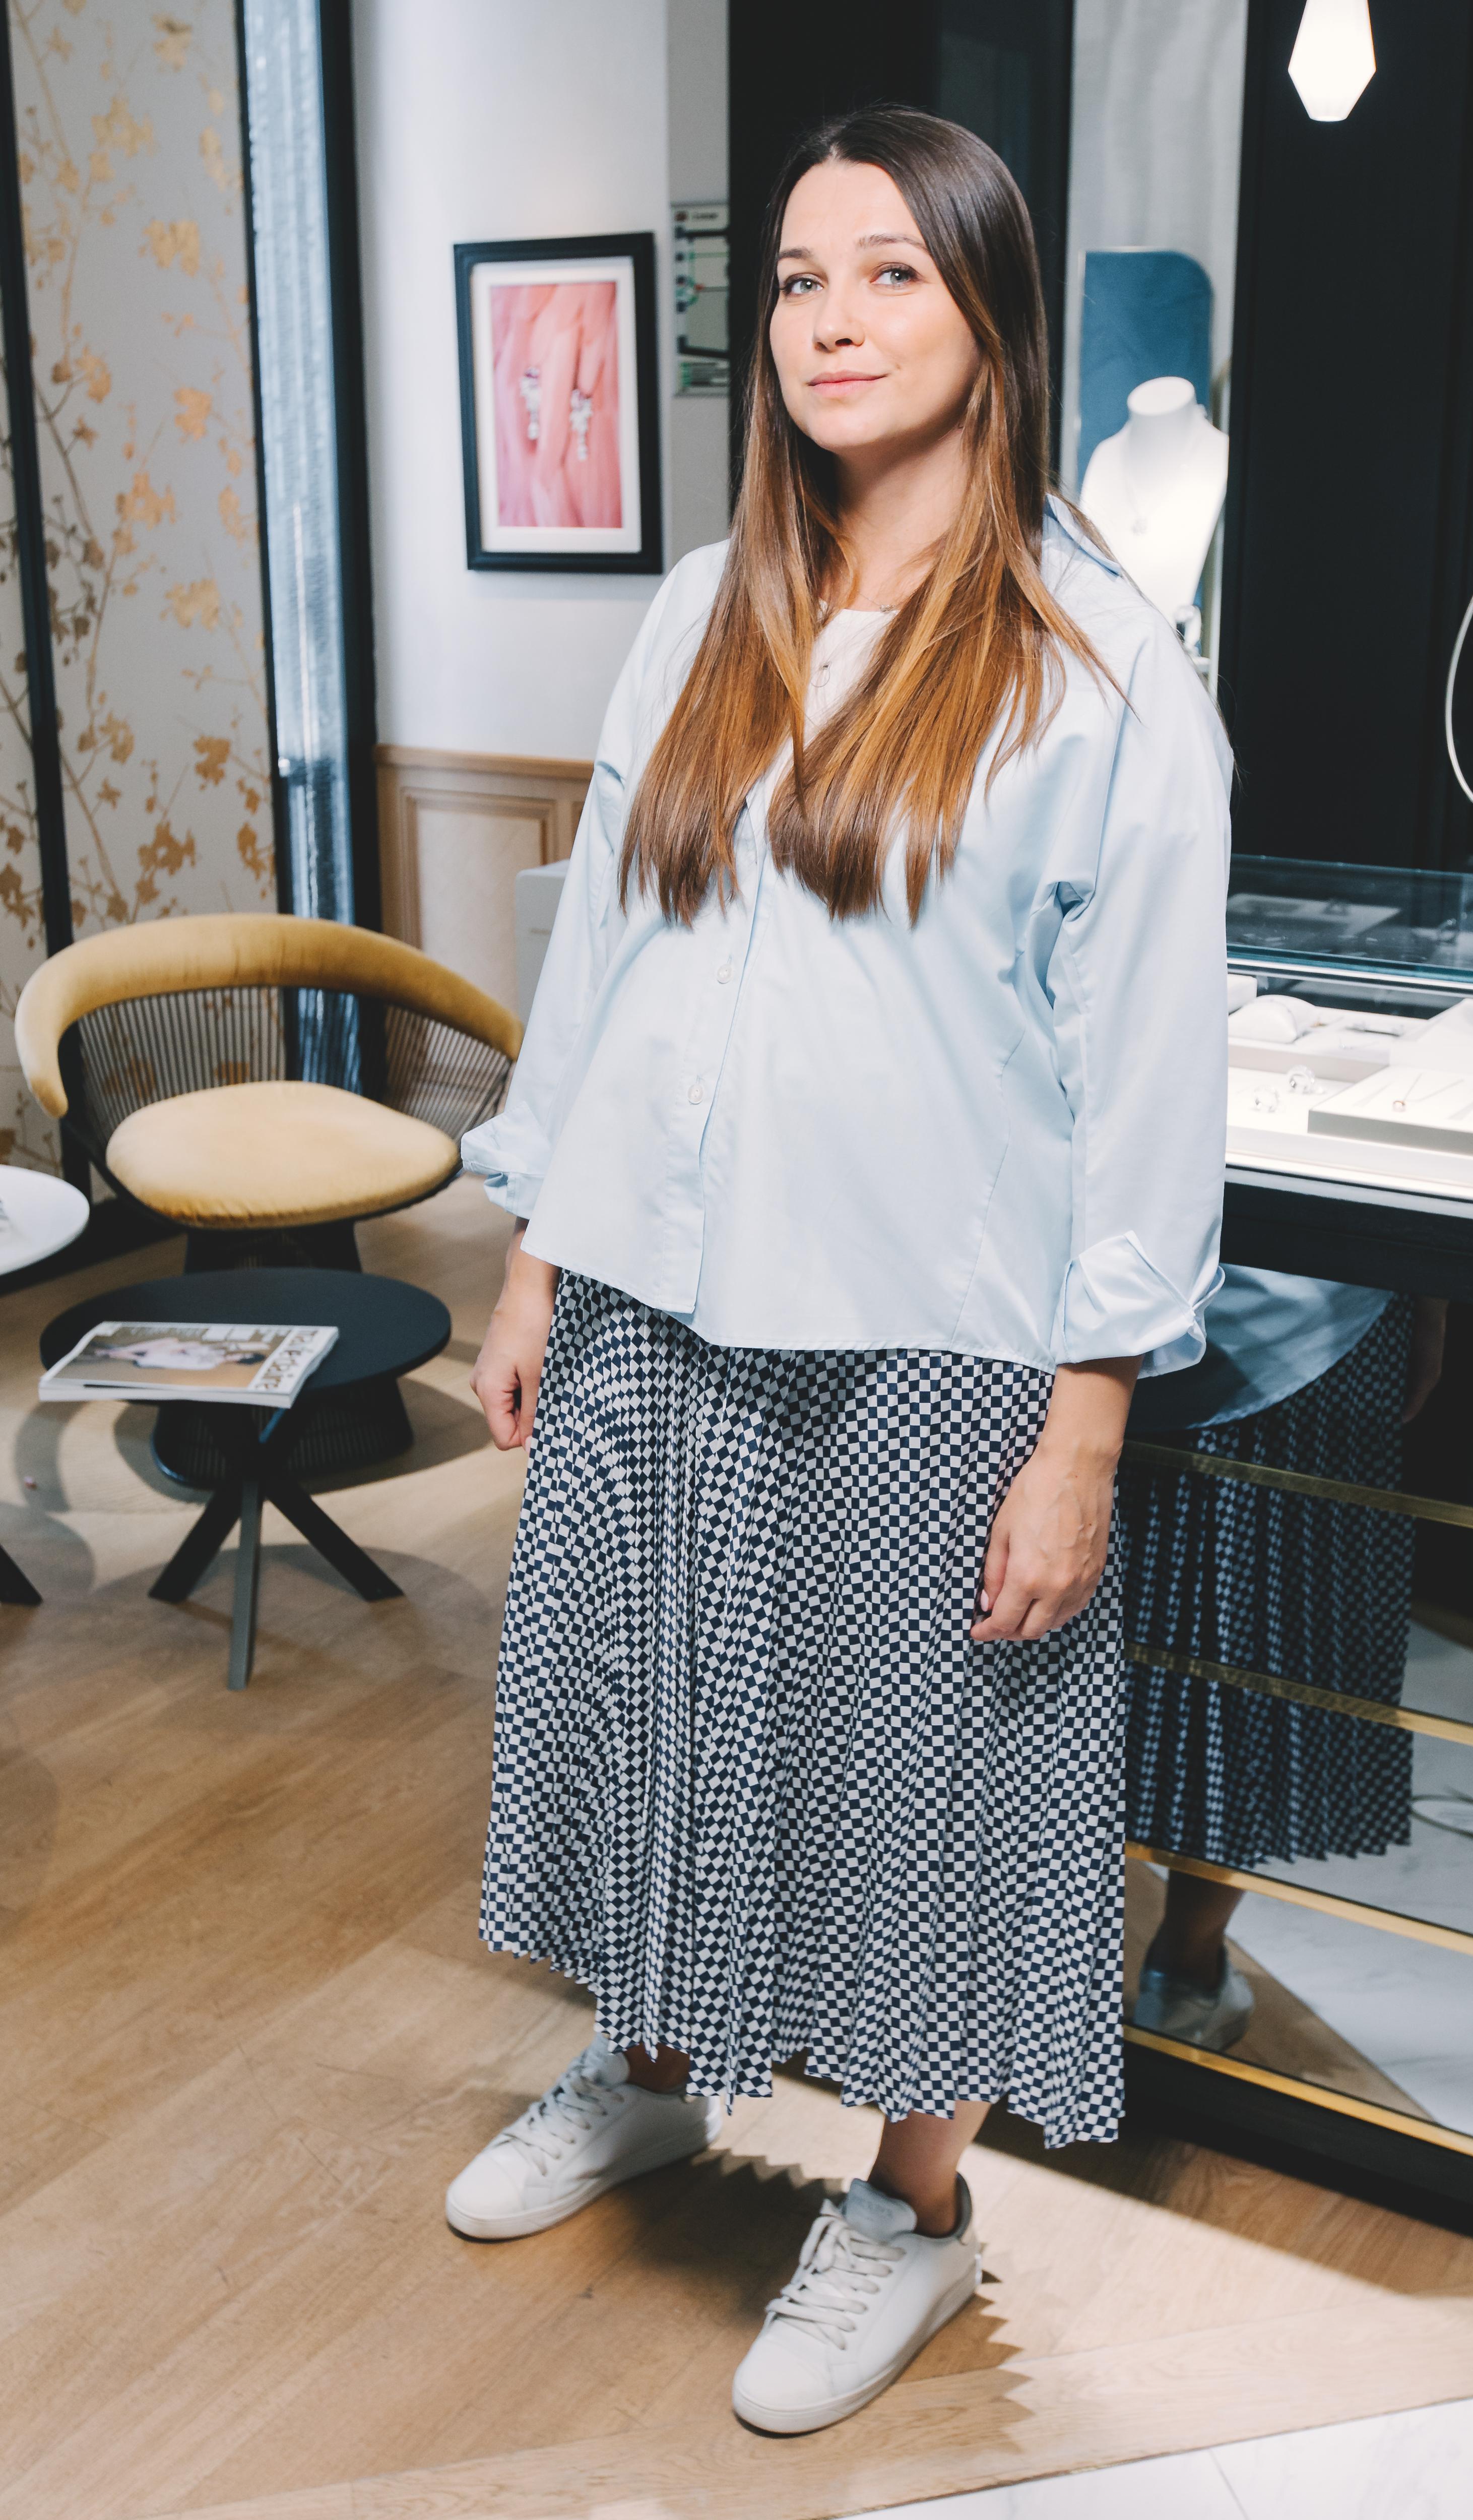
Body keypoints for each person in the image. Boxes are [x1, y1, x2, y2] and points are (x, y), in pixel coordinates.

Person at [451, 105, 1230, 2437]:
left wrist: (1084, 1420)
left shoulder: (1101, 665)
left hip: (932, 1330)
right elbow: (609, 950)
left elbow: (1145, 1081)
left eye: (890, 272)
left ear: (989, 311)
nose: (831, 320)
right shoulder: (709, 608)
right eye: (799, 279)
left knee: (923, 1790)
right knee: (644, 1710)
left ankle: (908, 2201)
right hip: (654, 1288)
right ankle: (647, 2069)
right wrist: (536, 1249)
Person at [1121, 1272, 1448, 2047]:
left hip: (1090, 1301)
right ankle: (1183, 1976)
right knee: (1263, 1660)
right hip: (1308, 1314)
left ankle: (1017, 1970)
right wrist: (1430, 1299)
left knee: (1043, 1648)